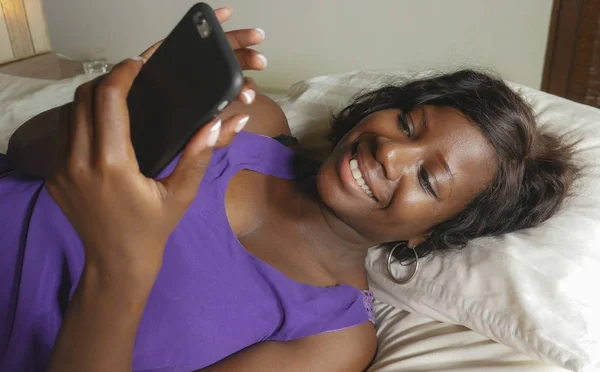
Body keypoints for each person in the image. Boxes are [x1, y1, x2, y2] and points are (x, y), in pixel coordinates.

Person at [0, 7, 579, 372]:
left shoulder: (330, 340)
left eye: (427, 179)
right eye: (406, 123)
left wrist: (120, 264)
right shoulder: (254, 122)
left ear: (433, 233)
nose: (391, 152)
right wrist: (123, 99)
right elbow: (26, 151)